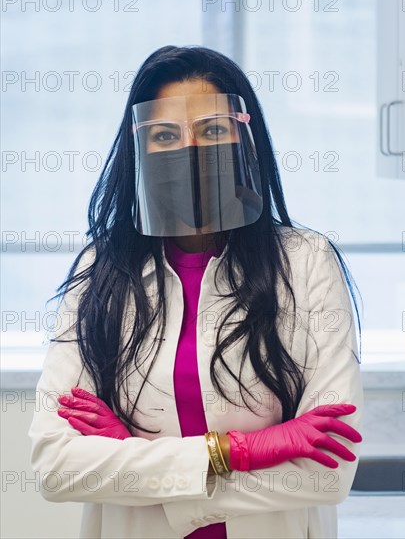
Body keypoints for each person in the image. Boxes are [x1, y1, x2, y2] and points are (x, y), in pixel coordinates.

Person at [28, 45, 364, 539]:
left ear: (245, 140)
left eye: (212, 130)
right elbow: (56, 465)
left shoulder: (306, 261)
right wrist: (236, 450)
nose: (190, 150)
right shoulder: (102, 270)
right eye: (165, 135)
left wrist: (134, 457)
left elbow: (330, 472)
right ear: (139, 149)